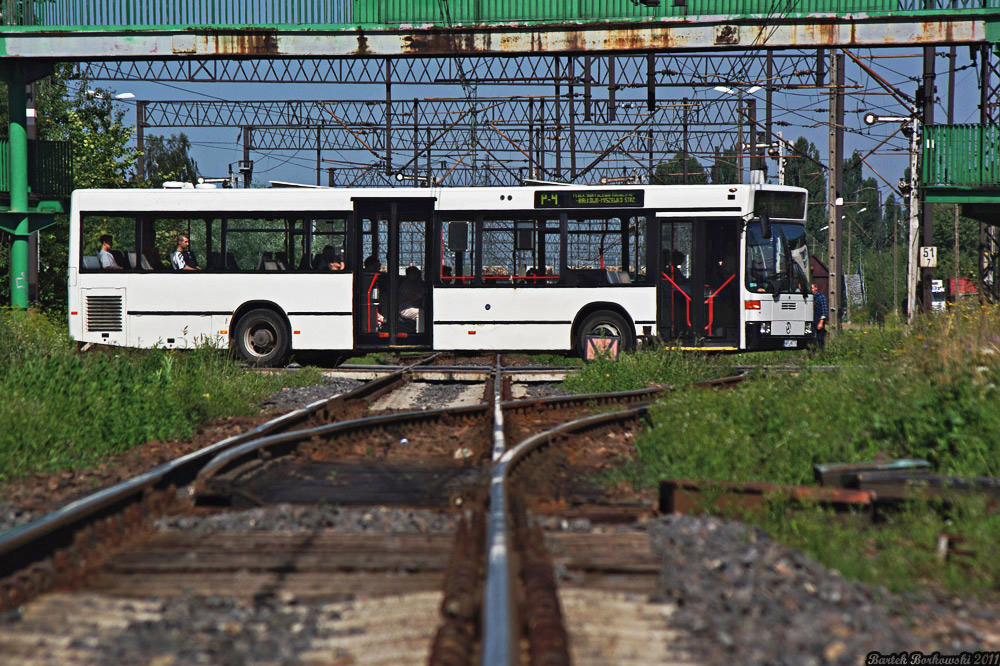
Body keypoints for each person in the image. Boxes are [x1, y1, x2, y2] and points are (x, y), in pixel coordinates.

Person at [812, 283, 828, 348]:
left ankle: (821, 353)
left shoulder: (821, 297)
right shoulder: (811, 298)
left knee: (820, 338)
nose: (811, 290)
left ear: (816, 288)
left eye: (812, 288)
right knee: (813, 338)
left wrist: (821, 322)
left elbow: (824, 311)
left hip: (819, 318)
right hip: (813, 318)